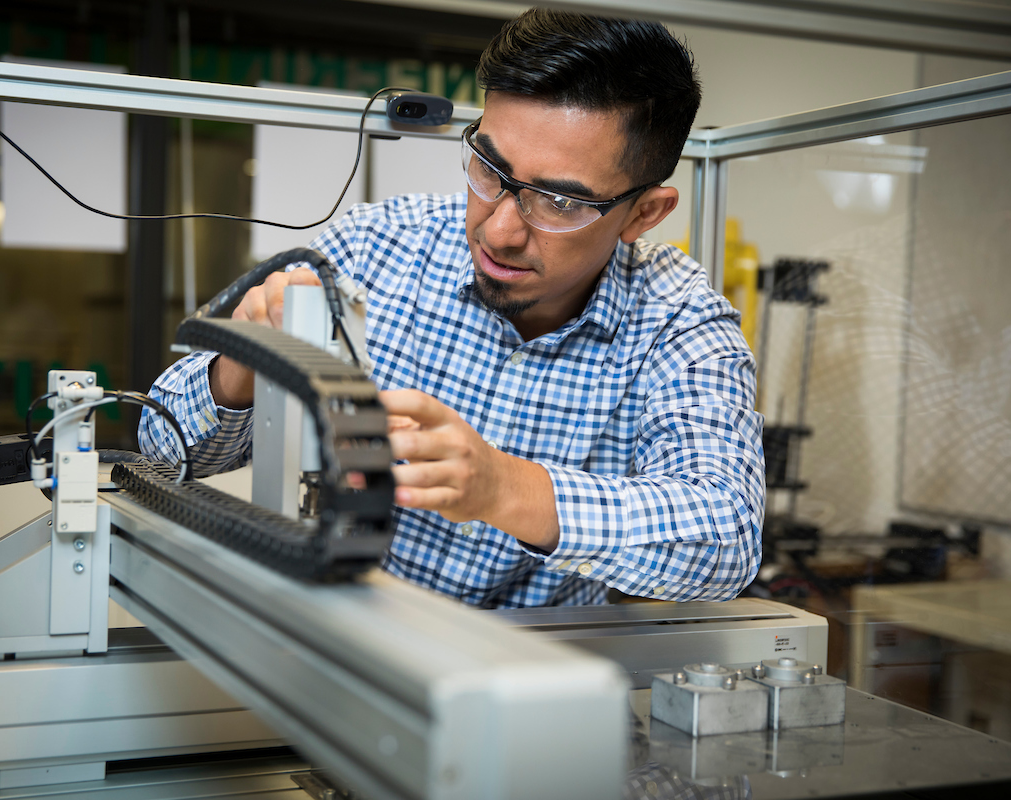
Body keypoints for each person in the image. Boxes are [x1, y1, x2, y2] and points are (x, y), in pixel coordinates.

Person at [141, 8, 764, 608]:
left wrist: (503, 487)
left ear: (644, 213)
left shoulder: (676, 316)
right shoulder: (375, 248)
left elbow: (726, 539)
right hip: (337, 640)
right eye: (489, 167)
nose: (498, 232)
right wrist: (239, 370)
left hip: (533, 675)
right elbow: (160, 452)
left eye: (559, 203)